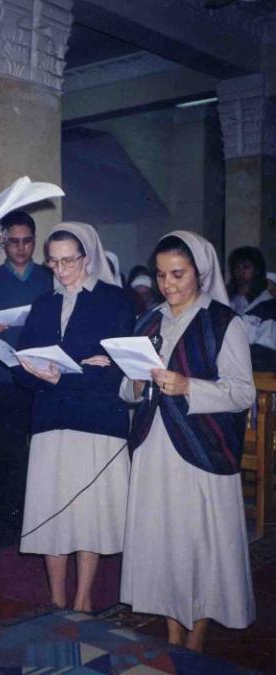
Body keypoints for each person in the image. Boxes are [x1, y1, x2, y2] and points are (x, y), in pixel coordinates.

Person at [120, 231, 255, 652]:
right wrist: (138, 386)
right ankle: (173, 634)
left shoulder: (222, 322)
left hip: (201, 450)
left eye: (177, 274)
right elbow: (126, 390)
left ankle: (193, 640)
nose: (167, 284)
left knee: (198, 545)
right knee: (162, 541)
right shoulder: (148, 321)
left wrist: (188, 386)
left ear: (201, 271)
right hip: (154, 447)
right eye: (161, 275)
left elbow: (242, 392)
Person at [15, 222, 135, 612]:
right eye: (53, 263)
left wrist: (66, 373)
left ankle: (82, 597)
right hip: (51, 419)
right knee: (51, 509)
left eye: (69, 261)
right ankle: (55, 597)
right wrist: (38, 370)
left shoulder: (115, 300)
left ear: (87, 258)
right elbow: (21, 364)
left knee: (89, 512)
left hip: (96, 421)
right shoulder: (43, 304)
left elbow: (117, 368)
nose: (61, 270)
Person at [0, 210, 53, 547]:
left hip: (44, 377)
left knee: (44, 454)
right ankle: (10, 526)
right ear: (5, 244)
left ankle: (42, 524)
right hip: (5, 378)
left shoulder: (48, 279)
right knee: (8, 456)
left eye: (27, 241)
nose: (20, 248)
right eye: (13, 242)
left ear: (35, 241)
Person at [227, 246, 276, 371]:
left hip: (259, 370)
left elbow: (268, 347)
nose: (241, 271)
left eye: (246, 267)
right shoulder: (226, 300)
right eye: (237, 267)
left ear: (257, 270)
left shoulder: (268, 305)